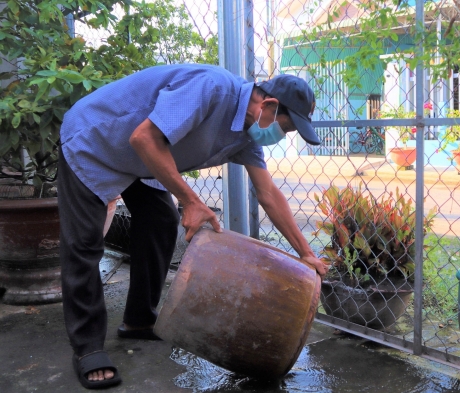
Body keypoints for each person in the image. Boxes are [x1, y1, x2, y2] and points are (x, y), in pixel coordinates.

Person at [58, 63, 328, 389]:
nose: (282, 136)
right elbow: (144, 136)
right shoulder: (210, 88)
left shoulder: (246, 138)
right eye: (286, 128)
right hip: (95, 140)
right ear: (269, 106)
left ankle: (138, 321)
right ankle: (87, 347)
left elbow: (268, 194)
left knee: (159, 221)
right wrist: (190, 201)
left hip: (141, 159)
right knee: (84, 243)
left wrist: (307, 253)